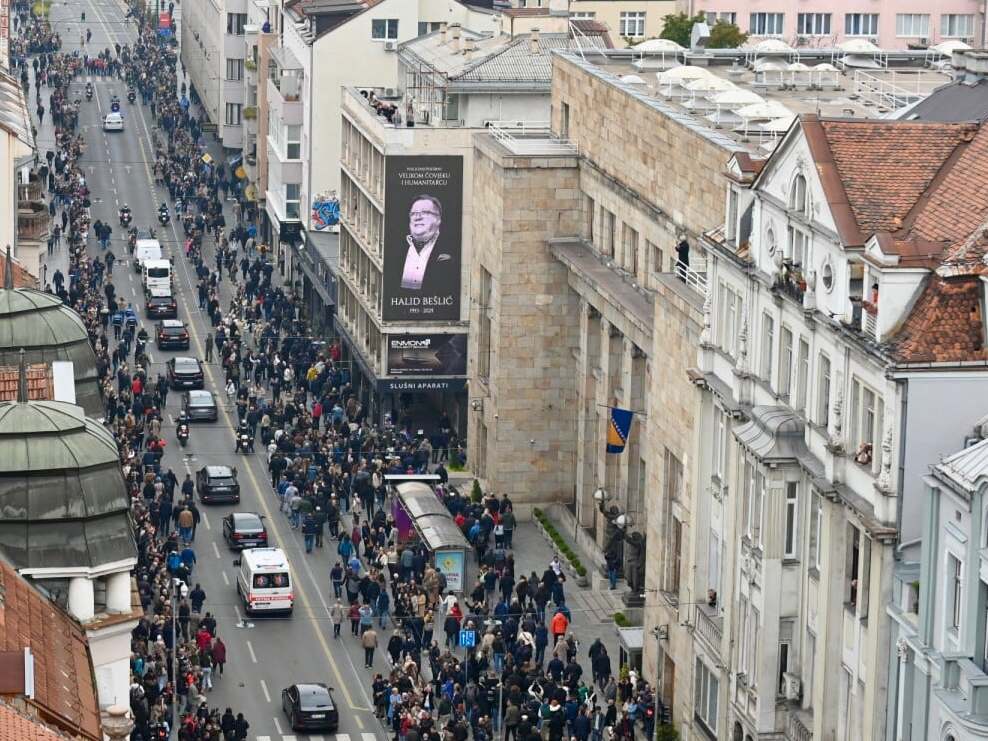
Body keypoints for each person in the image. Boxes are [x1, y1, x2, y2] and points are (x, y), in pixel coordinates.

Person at [384, 194, 460, 318]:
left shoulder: (451, 249)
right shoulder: (395, 248)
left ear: (438, 219)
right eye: (413, 213)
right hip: (401, 316)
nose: (417, 217)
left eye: (425, 212)